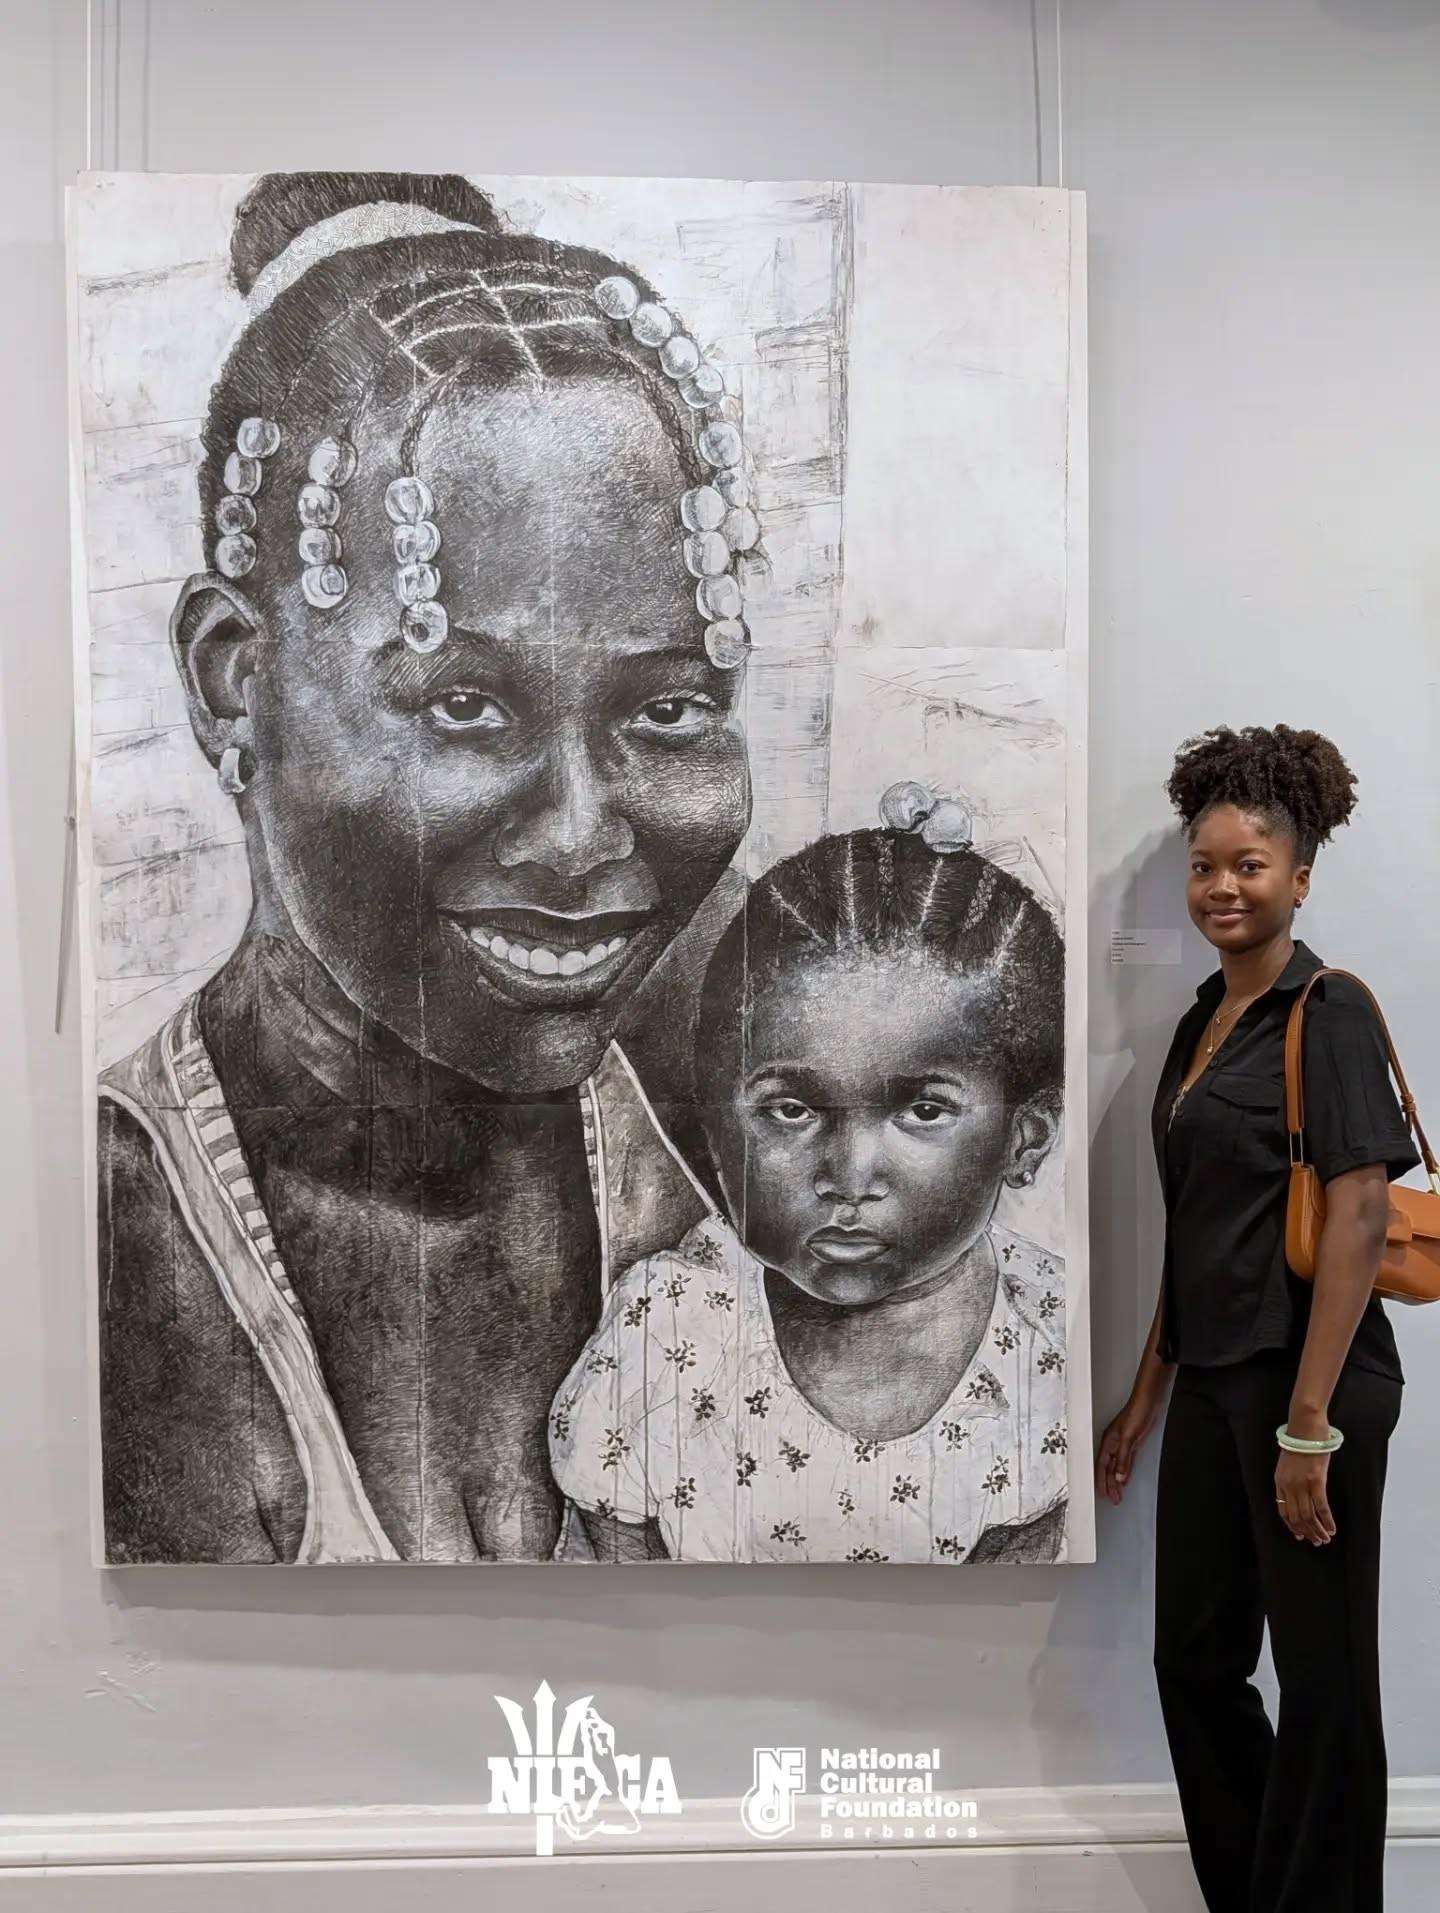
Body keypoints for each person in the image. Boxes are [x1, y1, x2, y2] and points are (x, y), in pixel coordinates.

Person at [98, 171, 764, 1563]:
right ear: (234, 680)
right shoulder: (109, 1227)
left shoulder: (762, 1132)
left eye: (667, 708)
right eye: (466, 704)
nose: (583, 834)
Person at [550, 801, 1071, 1563]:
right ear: (715, 1130)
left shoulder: (1047, 1339)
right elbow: (609, 1588)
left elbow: (1019, 1605)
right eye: (791, 1110)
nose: (849, 1177)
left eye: (923, 1110)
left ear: (1025, 1140)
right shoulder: (666, 1331)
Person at [1095, 725, 1420, 1913]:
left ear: (1300, 876)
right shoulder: (1199, 1024)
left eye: (1250, 864)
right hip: (1216, 1376)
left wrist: (1308, 1423)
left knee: (1324, 1677)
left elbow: (1360, 1213)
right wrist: (1146, 1393)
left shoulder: (1325, 1011)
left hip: (1310, 1382)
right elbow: (1197, 1231)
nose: (1222, 887)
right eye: (1205, 865)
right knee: (1193, 1655)